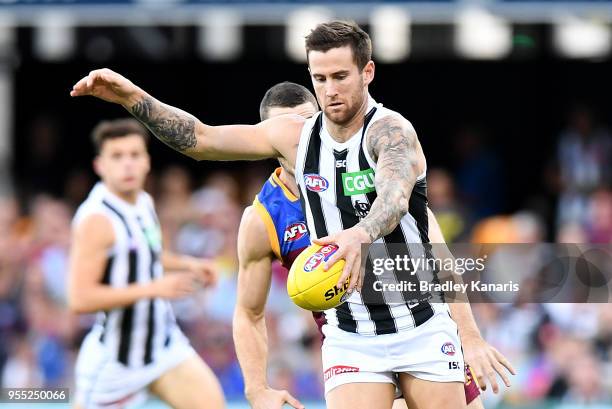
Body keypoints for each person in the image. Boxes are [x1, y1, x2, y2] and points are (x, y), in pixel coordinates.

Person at [71, 21, 513, 409]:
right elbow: (200, 140)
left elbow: (396, 198)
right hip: (351, 335)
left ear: (368, 72)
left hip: (420, 323)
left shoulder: (391, 131)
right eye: (319, 78)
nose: (330, 89)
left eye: (341, 76)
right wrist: (131, 97)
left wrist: (361, 236)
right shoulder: (295, 139)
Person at [234, 82, 513, 409]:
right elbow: (249, 312)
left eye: (306, 122)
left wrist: (469, 337)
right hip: (354, 349)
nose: (297, 136)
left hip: (422, 328)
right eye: (284, 128)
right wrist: (256, 388)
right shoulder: (264, 217)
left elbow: (438, 255)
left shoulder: (371, 169)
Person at [67, 119, 224, 409]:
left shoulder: (143, 201)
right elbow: (80, 299)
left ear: (147, 162)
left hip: (164, 347)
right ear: (99, 165)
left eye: (134, 155)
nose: (127, 164)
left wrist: (187, 264)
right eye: (117, 156)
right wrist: (153, 289)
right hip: (116, 362)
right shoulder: (96, 220)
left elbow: (142, 255)